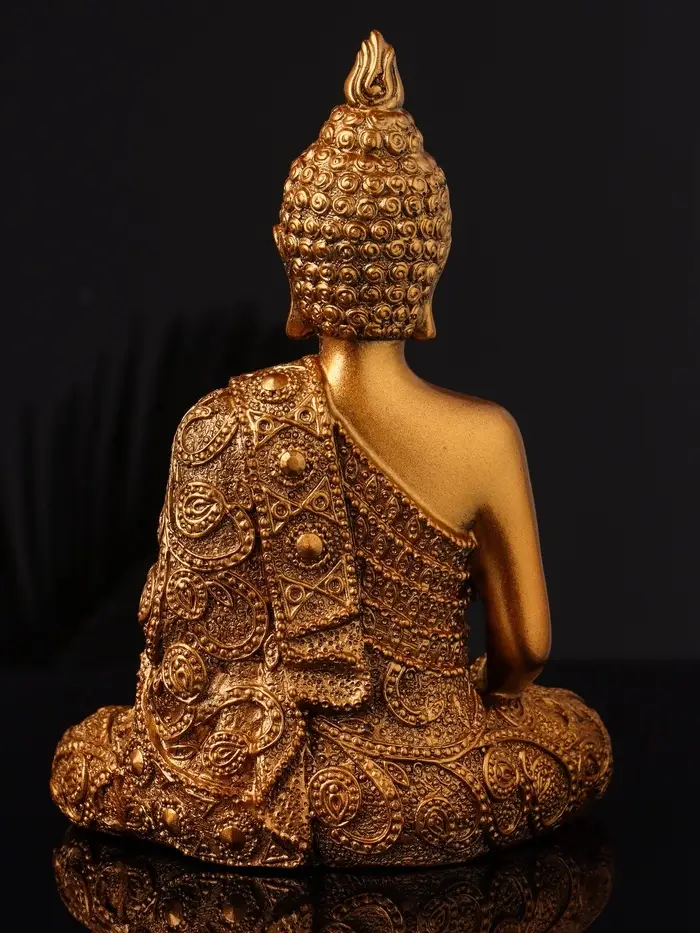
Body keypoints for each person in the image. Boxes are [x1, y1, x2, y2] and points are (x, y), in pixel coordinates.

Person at [51, 30, 611, 868]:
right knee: (573, 739)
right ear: (428, 272)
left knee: (90, 758)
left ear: (294, 265)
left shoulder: (219, 423)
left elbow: (182, 676)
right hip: (439, 771)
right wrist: (474, 701)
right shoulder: (487, 435)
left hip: (248, 768)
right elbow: (525, 650)